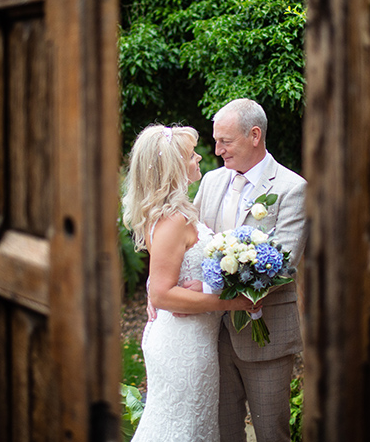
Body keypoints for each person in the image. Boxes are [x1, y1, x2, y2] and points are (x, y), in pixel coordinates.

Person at [122, 124, 260, 442]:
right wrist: (232, 301)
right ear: (174, 166)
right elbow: (161, 293)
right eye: (191, 154)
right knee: (177, 427)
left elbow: (171, 274)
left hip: (197, 338)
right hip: (181, 342)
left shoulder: (182, 210)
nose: (200, 156)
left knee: (195, 426)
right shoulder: (173, 220)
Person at [194, 99, 307, 442]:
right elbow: (192, 243)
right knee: (224, 432)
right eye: (216, 140)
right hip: (212, 334)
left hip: (265, 334)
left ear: (254, 135)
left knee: (271, 433)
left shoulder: (292, 188)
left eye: (225, 141)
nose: (218, 150)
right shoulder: (212, 182)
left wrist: (228, 293)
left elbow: (284, 263)